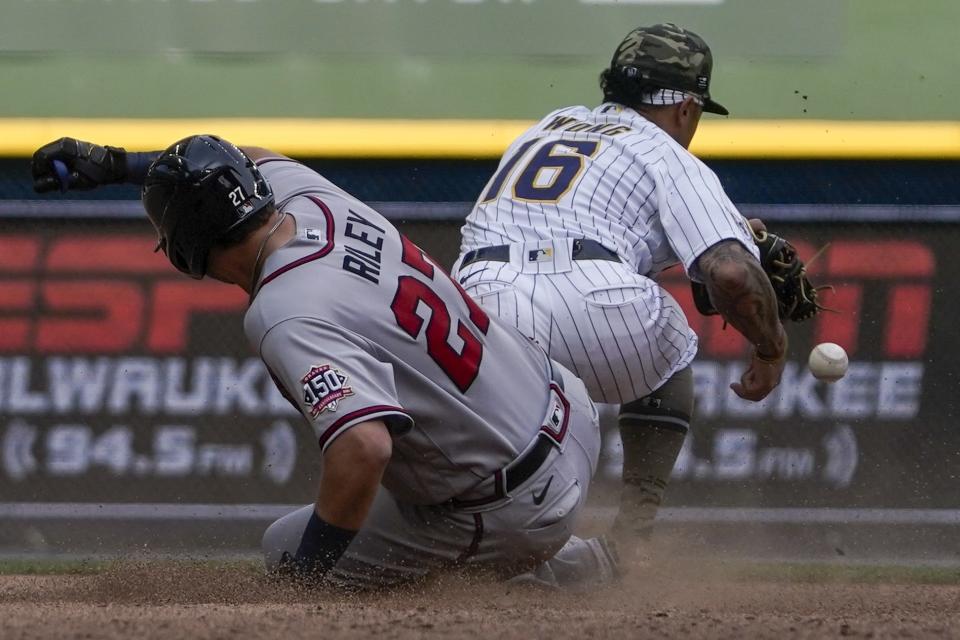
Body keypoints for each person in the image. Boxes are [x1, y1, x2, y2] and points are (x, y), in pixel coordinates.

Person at [31, 135, 619, 590]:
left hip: (514, 503)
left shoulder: (286, 309)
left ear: (186, 243)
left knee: (288, 548)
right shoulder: (309, 199)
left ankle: (537, 571)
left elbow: (364, 449)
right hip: (570, 410)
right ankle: (578, 560)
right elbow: (250, 154)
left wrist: (301, 587)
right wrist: (117, 163)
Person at [454, 23, 788, 552]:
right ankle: (631, 538)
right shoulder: (668, 155)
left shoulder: (549, 125)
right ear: (685, 107)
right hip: (591, 303)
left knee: (483, 441)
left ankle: (448, 541)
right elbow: (730, 275)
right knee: (673, 343)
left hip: (478, 299)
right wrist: (771, 347)